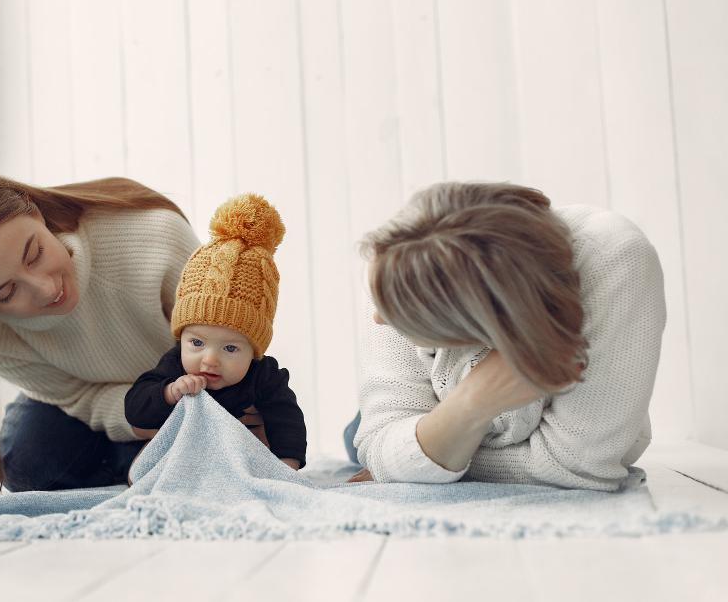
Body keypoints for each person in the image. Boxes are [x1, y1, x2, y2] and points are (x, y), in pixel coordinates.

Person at [0, 171, 220, 507]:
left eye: (34, 254)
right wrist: (142, 419)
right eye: (6, 294)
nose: (47, 289)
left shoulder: (156, 237)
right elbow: (76, 395)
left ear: (34, 210)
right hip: (91, 400)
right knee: (24, 457)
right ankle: (125, 462)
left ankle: (124, 464)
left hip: (187, 388)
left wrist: (170, 408)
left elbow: (225, 346)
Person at [346, 182, 665, 491]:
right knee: (353, 443)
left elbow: (578, 466)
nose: (379, 319)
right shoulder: (397, 261)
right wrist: (474, 399)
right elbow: (378, 443)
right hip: (426, 395)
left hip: (449, 422)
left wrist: (424, 455)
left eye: (407, 315)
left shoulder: (617, 259)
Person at [124, 193, 307, 471]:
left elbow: (288, 420)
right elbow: (135, 407)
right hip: (185, 459)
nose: (210, 360)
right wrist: (170, 393)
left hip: (239, 460)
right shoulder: (174, 367)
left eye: (230, 348)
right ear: (181, 337)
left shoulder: (264, 376)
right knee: (141, 468)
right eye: (196, 342)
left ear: (254, 350)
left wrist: (287, 465)